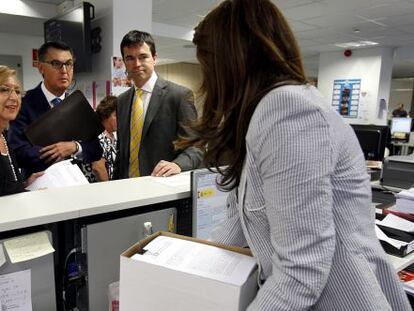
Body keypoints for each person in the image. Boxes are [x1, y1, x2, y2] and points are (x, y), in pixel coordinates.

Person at [177, 0, 411, 310]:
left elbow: (303, 269)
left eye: (208, 65)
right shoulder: (262, 112)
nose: (209, 81)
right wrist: (186, 273)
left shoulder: (286, 109)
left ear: (231, 61)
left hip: (341, 299)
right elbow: (239, 217)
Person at [114, 30, 202, 179]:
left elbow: (196, 148)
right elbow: (122, 153)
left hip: (162, 188)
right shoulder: (121, 101)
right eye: (130, 58)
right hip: (127, 190)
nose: (137, 64)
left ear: (154, 58)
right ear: (124, 62)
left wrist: (178, 165)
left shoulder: (179, 96)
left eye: (143, 57)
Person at [8, 41, 102, 178]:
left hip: (77, 184)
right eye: (56, 64)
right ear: (41, 68)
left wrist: (74, 147)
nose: (64, 71)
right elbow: (18, 151)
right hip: (40, 185)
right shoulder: (23, 103)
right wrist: (57, 151)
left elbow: (96, 149)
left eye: (68, 64)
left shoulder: (77, 104)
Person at [0, 65, 43, 196]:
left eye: (17, 91)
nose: (14, 97)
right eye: (4, 90)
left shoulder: (4, 138)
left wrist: (24, 185)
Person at [82, 95, 118, 182]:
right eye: (116, 115)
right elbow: (98, 167)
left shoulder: (112, 136)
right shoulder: (98, 136)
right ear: (105, 115)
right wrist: (109, 190)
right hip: (98, 190)